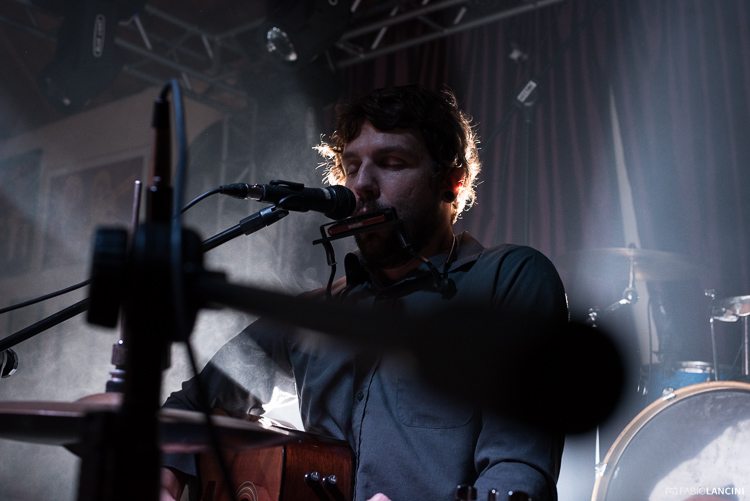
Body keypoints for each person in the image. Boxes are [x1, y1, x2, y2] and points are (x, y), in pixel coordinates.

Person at [160, 85, 568, 501]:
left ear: (452, 182)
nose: (362, 185)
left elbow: (519, 470)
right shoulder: (314, 313)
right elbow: (188, 406)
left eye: (392, 163)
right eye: (351, 167)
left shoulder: (507, 279)